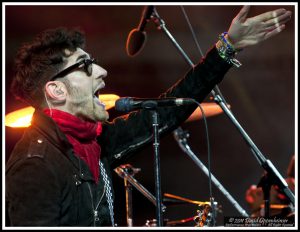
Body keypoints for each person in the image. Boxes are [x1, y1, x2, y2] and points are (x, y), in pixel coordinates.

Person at [5, 6, 292, 226]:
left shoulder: (94, 141)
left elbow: (170, 110)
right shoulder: (34, 166)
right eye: (85, 66)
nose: (102, 71)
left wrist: (226, 48)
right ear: (56, 90)